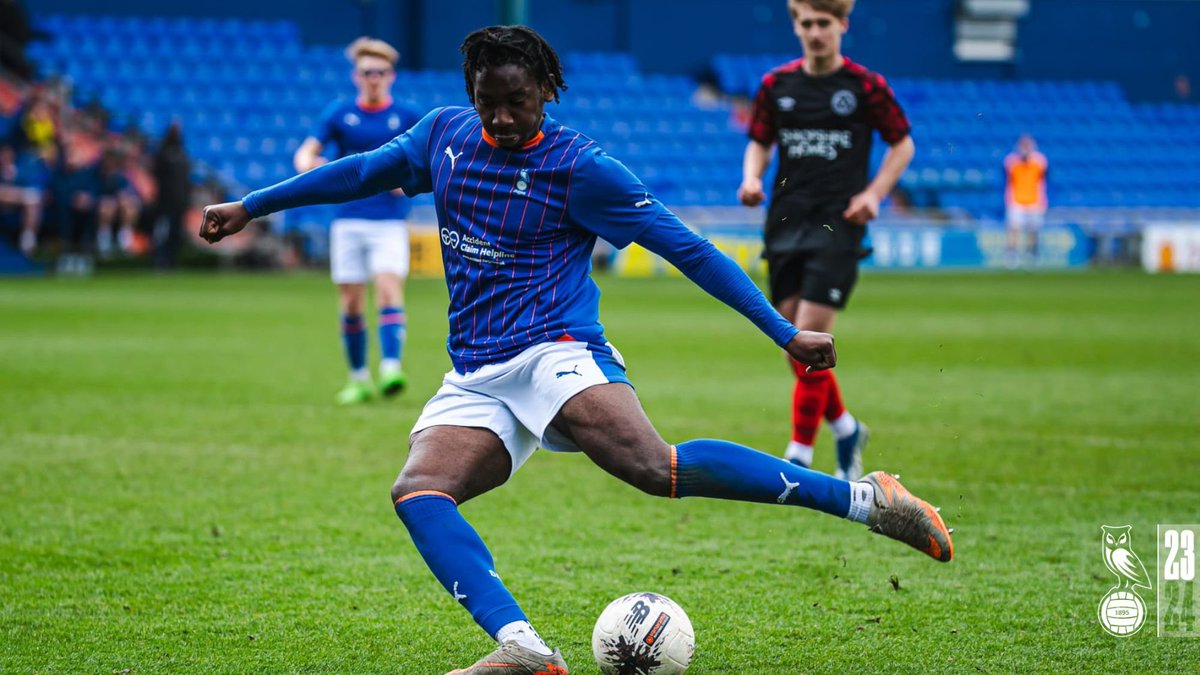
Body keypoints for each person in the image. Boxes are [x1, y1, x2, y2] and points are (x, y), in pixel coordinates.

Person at [200, 25, 952, 674]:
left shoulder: (580, 168)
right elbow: (359, 172)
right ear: (469, 92)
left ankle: (869, 500)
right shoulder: (442, 135)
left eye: (515, 103)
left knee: (655, 468)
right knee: (418, 491)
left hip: (557, 349)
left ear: (545, 93)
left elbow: (690, 250)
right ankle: (523, 646)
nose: (499, 117)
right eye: (487, 101)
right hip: (478, 369)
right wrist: (252, 205)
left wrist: (784, 332)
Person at [737, 0, 914, 481]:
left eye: (823, 24)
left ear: (842, 26)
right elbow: (759, 140)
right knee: (793, 345)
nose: (815, 32)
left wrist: (875, 194)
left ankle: (798, 456)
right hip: (784, 224)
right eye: (806, 24)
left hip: (839, 225)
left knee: (810, 331)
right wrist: (751, 178)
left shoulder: (865, 86)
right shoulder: (777, 85)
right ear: (796, 27)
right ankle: (847, 427)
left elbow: (903, 142)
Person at [292, 37, 424, 404]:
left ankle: (391, 369)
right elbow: (306, 152)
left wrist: (407, 182)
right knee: (351, 301)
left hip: (388, 222)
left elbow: (423, 163)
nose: (374, 78)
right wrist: (311, 167)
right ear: (357, 76)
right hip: (348, 219)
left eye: (380, 72)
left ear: (391, 76)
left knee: (388, 289)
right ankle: (358, 377)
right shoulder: (339, 114)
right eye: (367, 72)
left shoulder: (407, 116)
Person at [151, 122, 192, 269]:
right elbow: (157, 176)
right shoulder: (163, 152)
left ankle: (172, 260)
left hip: (179, 202)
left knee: (175, 232)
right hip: (165, 202)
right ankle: (160, 260)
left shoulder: (182, 152)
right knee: (163, 232)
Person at [1003, 133, 1048, 268]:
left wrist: (1044, 199)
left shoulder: (1040, 161)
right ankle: (1012, 255)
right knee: (1014, 228)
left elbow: (1044, 181)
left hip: (1035, 200)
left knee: (1033, 229)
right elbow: (1006, 181)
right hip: (1016, 200)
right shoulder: (1011, 161)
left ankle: (1031, 254)